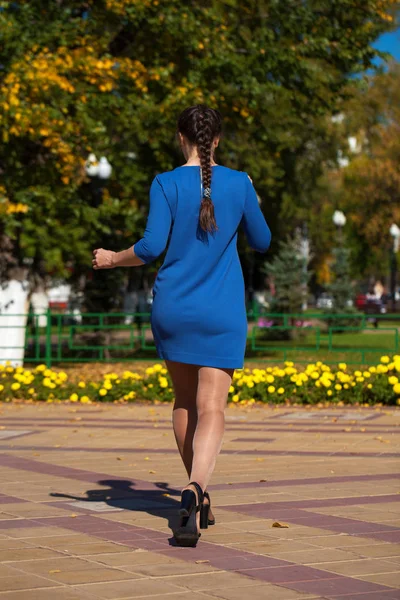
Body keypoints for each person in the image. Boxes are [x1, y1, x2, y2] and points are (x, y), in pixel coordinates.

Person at [92, 105, 271, 546]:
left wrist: (113, 257)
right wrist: (252, 198)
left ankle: (196, 490)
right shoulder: (239, 182)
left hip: (174, 307)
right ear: (219, 140)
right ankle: (196, 488)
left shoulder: (165, 182)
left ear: (180, 138)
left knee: (184, 400)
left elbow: (151, 246)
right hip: (222, 311)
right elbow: (263, 242)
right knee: (213, 408)